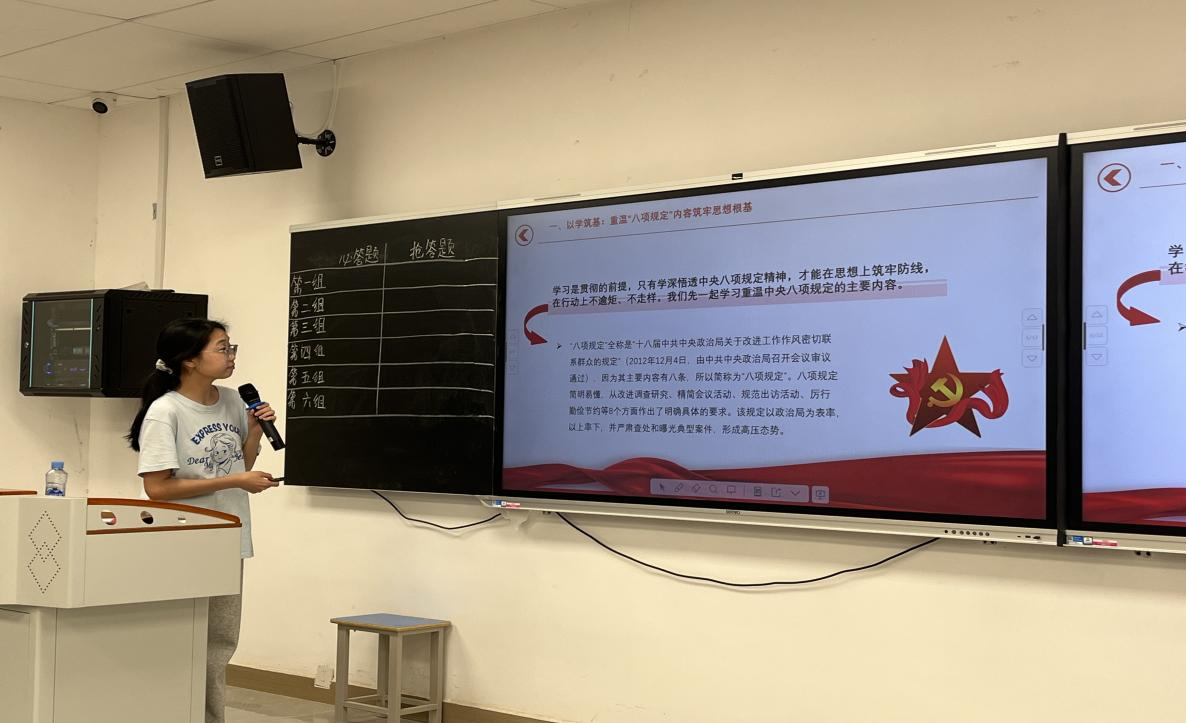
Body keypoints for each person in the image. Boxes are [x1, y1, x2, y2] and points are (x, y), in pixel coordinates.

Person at [126, 318, 278, 723]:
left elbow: (240, 465)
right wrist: (235, 480)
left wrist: (253, 433)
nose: (231, 356)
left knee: (219, 643)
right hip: (182, 540)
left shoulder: (232, 400)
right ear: (190, 360)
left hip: (227, 536)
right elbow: (157, 488)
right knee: (181, 640)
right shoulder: (166, 411)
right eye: (222, 348)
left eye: (231, 348)